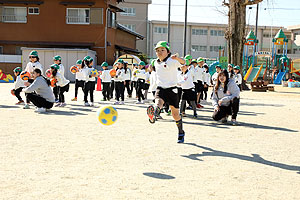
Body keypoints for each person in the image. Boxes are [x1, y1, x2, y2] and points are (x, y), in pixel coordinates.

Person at [146, 41, 186, 143]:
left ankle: (181, 132)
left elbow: (184, 62)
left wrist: (177, 58)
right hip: (161, 88)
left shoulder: (172, 61)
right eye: (157, 50)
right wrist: (150, 68)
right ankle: (154, 115)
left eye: (162, 50)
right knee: (158, 102)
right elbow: (152, 67)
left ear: (168, 52)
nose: (160, 52)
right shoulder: (155, 62)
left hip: (172, 90)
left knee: (175, 115)